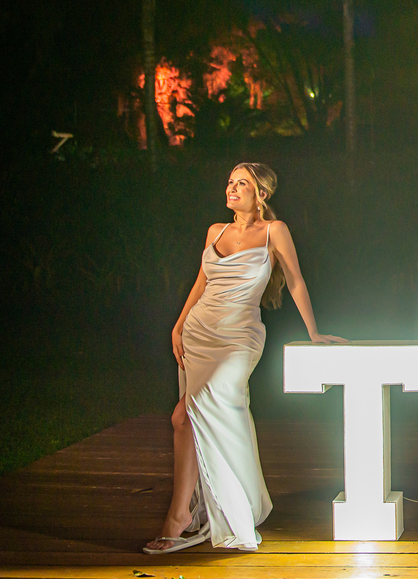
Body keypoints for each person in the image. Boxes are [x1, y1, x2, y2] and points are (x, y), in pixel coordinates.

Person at [144, 162, 344, 554]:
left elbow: (295, 279)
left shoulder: (274, 231)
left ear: (261, 194)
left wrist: (313, 331)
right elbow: (202, 282)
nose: (231, 188)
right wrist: (179, 325)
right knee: (184, 419)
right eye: (230, 182)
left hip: (238, 338)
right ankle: (181, 515)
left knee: (191, 412)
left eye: (242, 183)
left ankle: (184, 517)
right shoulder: (215, 232)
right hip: (199, 333)